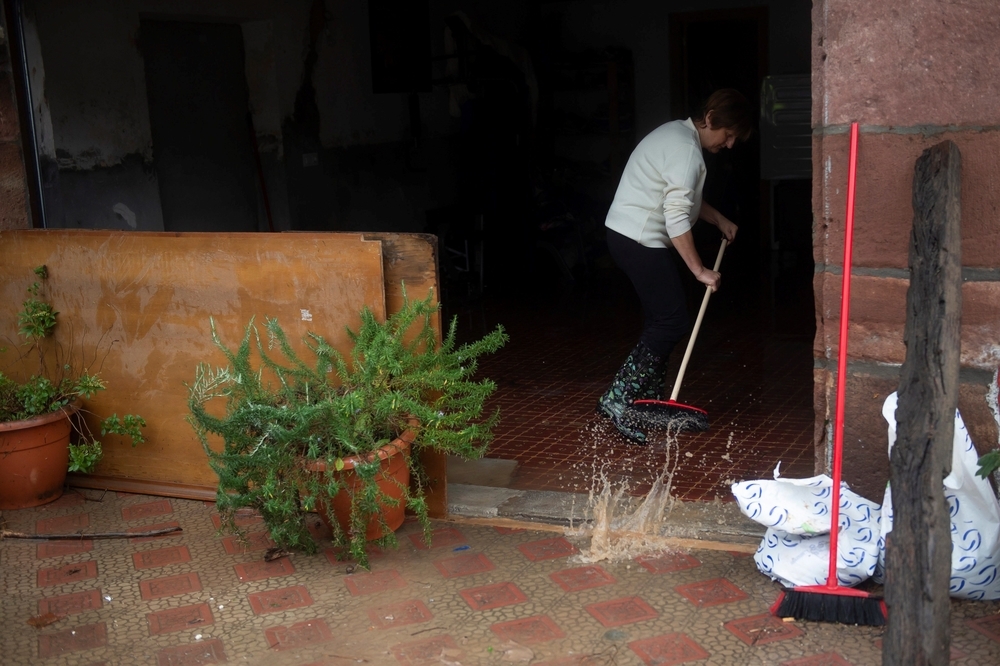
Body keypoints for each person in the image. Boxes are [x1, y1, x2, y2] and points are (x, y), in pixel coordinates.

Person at [597, 88, 753, 444]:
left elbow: (682, 197)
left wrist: (718, 220)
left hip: (626, 234)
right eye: (728, 135)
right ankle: (618, 398)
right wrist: (699, 271)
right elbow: (676, 216)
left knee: (663, 318)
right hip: (637, 238)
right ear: (710, 118)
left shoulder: (677, 135)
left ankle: (640, 401)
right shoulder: (687, 152)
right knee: (671, 319)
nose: (729, 145)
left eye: (734, 139)